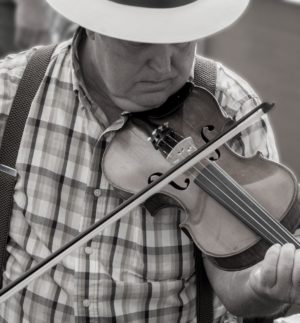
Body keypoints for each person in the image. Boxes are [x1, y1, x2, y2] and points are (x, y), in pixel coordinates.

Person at [0, 0, 298, 322]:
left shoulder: (231, 110)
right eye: (139, 42)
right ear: (94, 26)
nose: (164, 67)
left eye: (183, 40)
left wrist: (262, 287)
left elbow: (236, 279)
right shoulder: (11, 92)